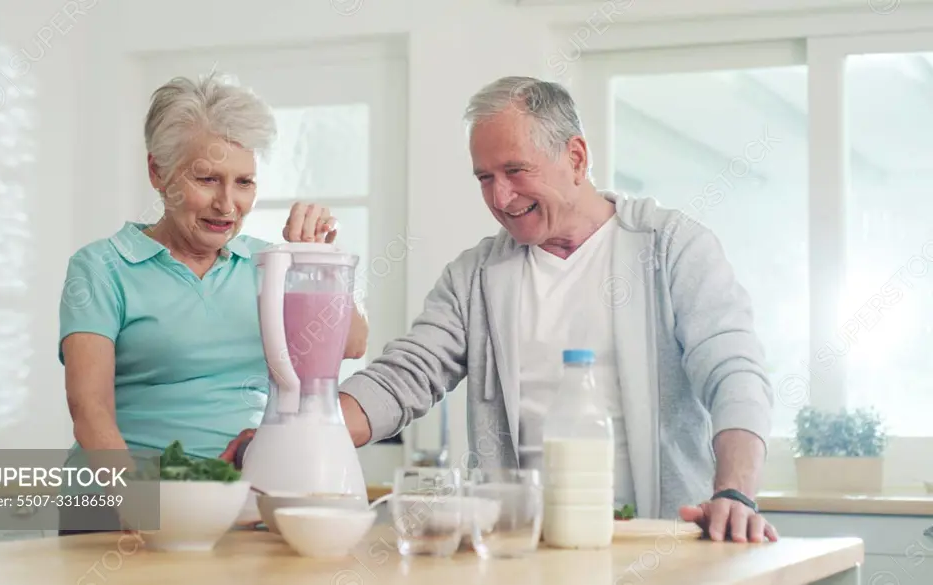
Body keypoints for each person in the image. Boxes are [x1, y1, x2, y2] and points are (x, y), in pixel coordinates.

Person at [223, 76, 779, 543]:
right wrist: (299, 432)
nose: (500, 197)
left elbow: (733, 371)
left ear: (576, 157)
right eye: (485, 178)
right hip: (525, 545)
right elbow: (404, 378)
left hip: (660, 538)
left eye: (516, 171)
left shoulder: (670, 248)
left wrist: (733, 491)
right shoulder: (477, 275)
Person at [57, 73, 367, 535]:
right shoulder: (102, 267)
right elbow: (89, 408)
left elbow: (354, 342)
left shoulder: (268, 265)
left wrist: (313, 258)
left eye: (244, 182)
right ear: (157, 173)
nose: (227, 204)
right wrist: (142, 505)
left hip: (238, 503)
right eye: (207, 178)